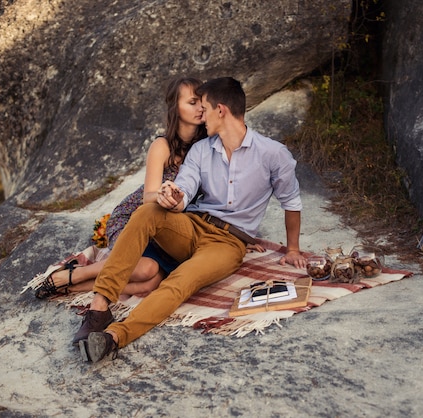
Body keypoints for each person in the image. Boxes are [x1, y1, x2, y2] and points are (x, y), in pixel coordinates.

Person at [72, 77, 307, 363]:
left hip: (228, 243)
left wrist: (293, 249)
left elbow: (291, 201)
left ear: (221, 110)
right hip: (193, 225)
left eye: (204, 107)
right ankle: (99, 309)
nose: (201, 115)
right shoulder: (200, 150)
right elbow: (184, 190)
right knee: (147, 212)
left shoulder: (273, 154)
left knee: (182, 280)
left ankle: (114, 337)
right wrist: (172, 196)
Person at [34, 76, 207, 300]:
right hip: (133, 219)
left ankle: (71, 288)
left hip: (167, 230)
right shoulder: (162, 146)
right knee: (147, 270)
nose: (200, 107)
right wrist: (167, 195)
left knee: (151, 284)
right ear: (175, 108)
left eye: (202, 101)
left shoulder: (207, 147)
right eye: (192, 102)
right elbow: (148, 197)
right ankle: (72, 275)